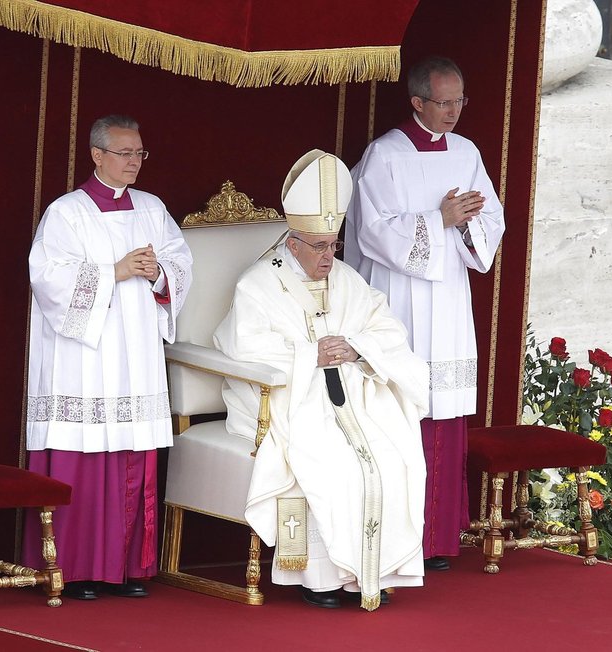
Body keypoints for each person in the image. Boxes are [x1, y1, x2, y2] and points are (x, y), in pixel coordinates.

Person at [214, 150, 428, 611]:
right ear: (292, 244)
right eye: (318, 247)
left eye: (334, 245)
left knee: (393, 455)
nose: (329, 256)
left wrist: (357, 349)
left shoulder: (348, 279)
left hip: (351, 396)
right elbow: (244, 349)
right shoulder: (258, 285)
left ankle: (371, 572)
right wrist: (309, 355)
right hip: (289, 399)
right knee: (330, 460)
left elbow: (388, 331)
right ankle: (320, 578)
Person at [344, 56, 506, 571]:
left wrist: (463, 227)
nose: (455, 111)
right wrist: (438, 218)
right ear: (417, 102)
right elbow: (372, 231)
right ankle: (398, 537)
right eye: (444, 101)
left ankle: (438, 535)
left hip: (450, 298)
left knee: (445, 412)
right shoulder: (384, 156)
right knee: (404, 409)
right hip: (401, 298)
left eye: (460, 100)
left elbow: (491, 220)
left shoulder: (467, 152)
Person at [23, 114, 192, 600]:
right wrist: (113, 271)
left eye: (139, 153)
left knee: (132, 450)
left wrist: (159, 272)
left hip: (135, 352)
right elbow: (48, 279)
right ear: (97, 155)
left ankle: (125, 569)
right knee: (86, 456)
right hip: (85, 358)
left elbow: (181, 265)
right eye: (124, 153)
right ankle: (74, 569)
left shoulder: (152, 209)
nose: (134, 162)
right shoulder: (67, 213)